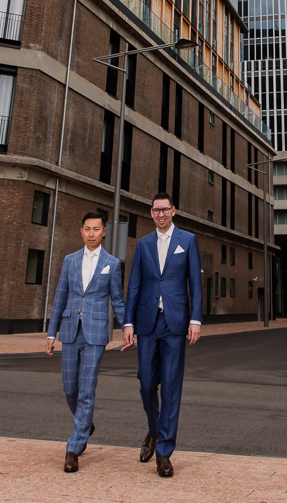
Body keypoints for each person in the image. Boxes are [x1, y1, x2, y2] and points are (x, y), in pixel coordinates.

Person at [122, 192, 202, 478]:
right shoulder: (143, 244)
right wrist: (127, 323)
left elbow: (195, 282)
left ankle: (165, 452)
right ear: (151, 212)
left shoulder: (188, 241)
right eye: (156, 210)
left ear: (174, 211)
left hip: (175, 323)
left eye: (165, 210)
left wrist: (195, 319)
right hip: (146, 322)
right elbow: (133, 285)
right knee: (146, 383)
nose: (160, 214)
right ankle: (154, 430)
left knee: (170, 386)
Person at [45, 209, 127, 473]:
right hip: (69, 330)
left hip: (95, 334)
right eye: (87, 229)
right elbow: (60, 296)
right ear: (81, 232)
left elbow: (117, 299)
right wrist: (51, 333)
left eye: (96, 229)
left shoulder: (112, 263)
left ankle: (73, 448)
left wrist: (127, 325)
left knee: (87, 390)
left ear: (104, 232)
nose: (91, 234)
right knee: (70, 389)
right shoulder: (69, 260)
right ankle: (86, 423)